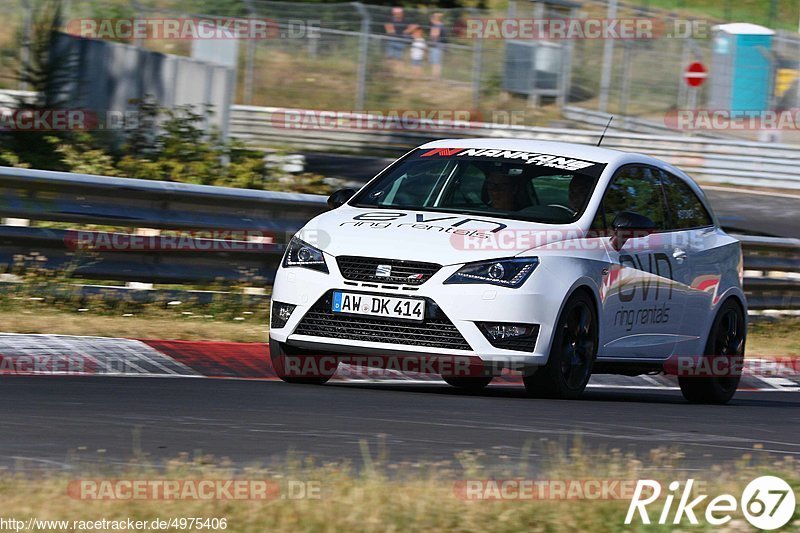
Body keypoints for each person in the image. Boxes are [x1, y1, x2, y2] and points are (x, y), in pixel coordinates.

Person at [428, 12, 445, 78]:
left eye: (431, 19)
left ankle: (435, 77)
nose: (430, 21)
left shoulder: (437, 26)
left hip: (436, 46)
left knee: (436, 63)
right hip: (436, 46)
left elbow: (435, 36)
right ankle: (435, 76)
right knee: (435, 62)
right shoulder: (439, 25)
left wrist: (432, 36)